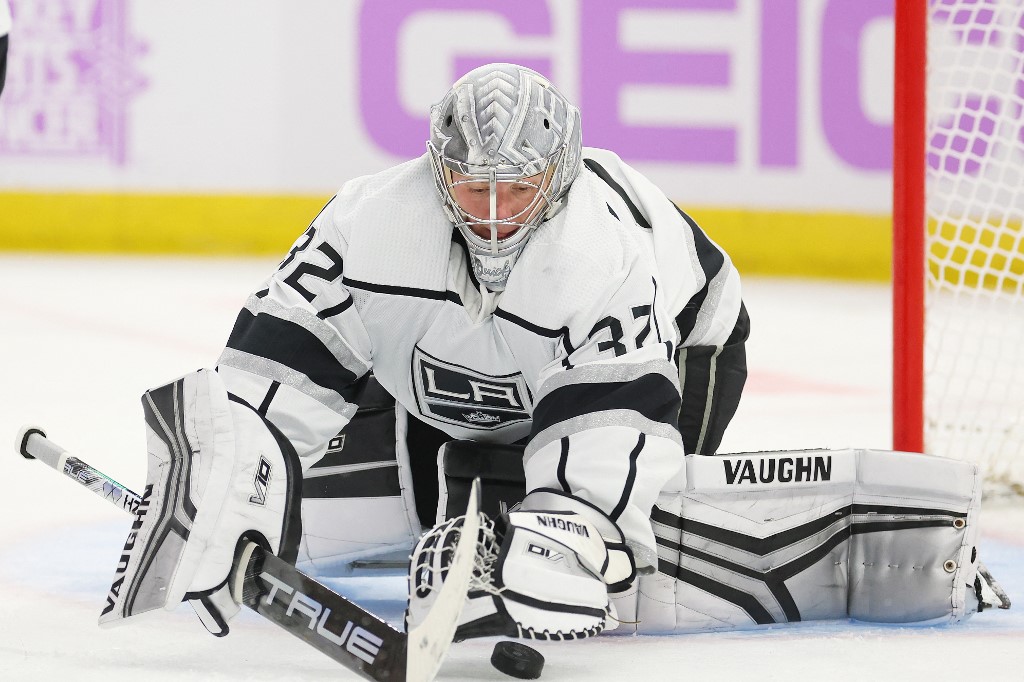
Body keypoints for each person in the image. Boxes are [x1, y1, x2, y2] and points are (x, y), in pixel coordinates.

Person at [98, 64, 987, 644]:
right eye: (471, 188)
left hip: (688, 342)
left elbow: (611, 427)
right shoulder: (371, 223)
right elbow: (275, 367)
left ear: (555, 177)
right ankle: (493, 497)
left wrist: (576, 529)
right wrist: (224, 485)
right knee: (435, 499)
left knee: (608, 538)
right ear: (436, 172)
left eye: (516, 188)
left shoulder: (603, 256)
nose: (492, 213)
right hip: (450, 379)